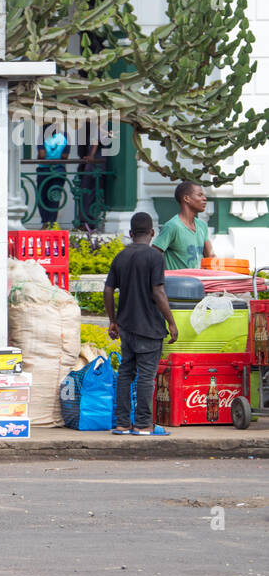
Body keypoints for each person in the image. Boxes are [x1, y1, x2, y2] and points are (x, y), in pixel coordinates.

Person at [105, 212, 180, 435]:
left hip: (126, 326)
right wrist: (172, 323)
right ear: (152, 233)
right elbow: (158, 292)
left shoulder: (121, 256)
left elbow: (108, 289)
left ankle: (122, 423)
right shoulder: (155, 257)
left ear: (130, 233)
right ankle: (144, 424)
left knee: (126, 373)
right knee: (147, 377)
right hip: (149, 328)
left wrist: (112, 321)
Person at [153, 181, 214, 271]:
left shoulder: (202, 226)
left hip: (200, 282)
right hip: (179, 283)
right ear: (186, 198)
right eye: (200, 195)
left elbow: (211, 257)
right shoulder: (172, 226)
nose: (204, 198)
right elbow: (152, 255)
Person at [35, 130, 68, 227]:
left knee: (42, 197)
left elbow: (41, 155)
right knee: (55, 197)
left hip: (44, 170)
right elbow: (65, 156)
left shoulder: (41, 135)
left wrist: (45, 157)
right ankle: (52, 223)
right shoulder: (65, 136)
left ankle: (46, 223)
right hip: (59, 169)